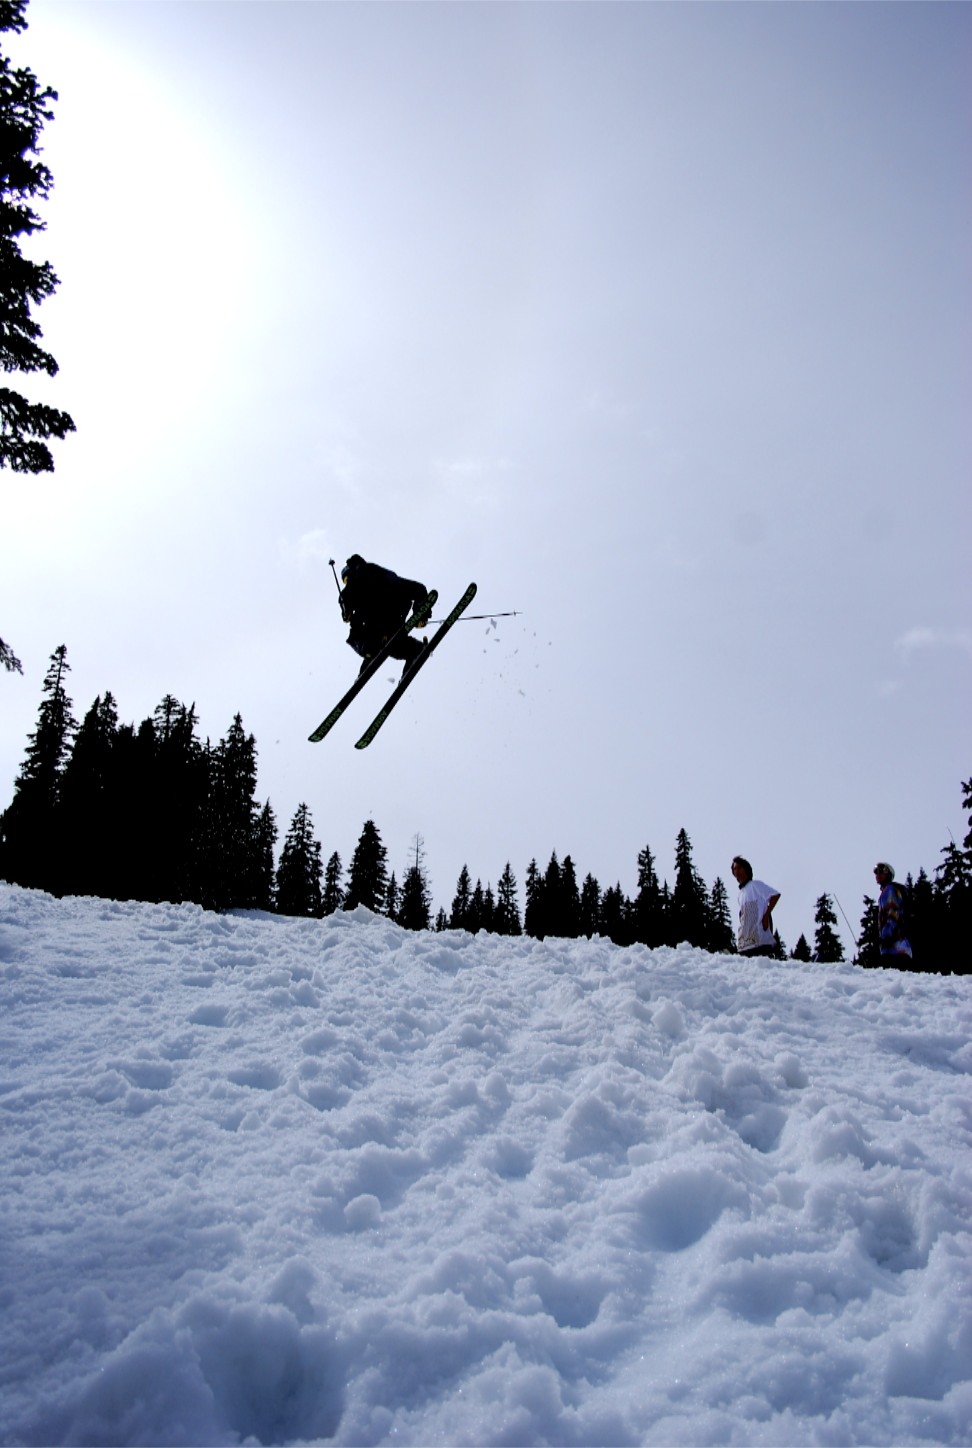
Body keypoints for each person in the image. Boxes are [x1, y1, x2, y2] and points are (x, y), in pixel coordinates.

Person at [338, 555, 432, 676]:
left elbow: (346, 598)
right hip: (396, 612)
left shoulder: (356, 580)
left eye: (345, 580)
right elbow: (419, 589)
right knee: (392, 643)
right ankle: (415, 650)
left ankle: (369, 652)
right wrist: (421, 613)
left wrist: (346, 612)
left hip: (380, 616)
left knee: (356, 629)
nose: (346, 583)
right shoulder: (381, 573)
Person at [730, 856, 781, 957]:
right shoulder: (740, 894)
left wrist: (766, 915)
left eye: (739, 867)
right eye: (735, 869)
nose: (737, 871)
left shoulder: (755, 885)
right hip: (745, 942)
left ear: (746, 869)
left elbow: (775, 895)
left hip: (760, 940)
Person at [873, 862, 912, 961]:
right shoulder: (888, 891)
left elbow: (891, 913)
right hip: (897, 946)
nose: (878, 875)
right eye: (876, 873)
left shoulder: (889, 889)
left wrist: (887, 937)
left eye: (881, 872)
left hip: (895, 946)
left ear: (888, 874)